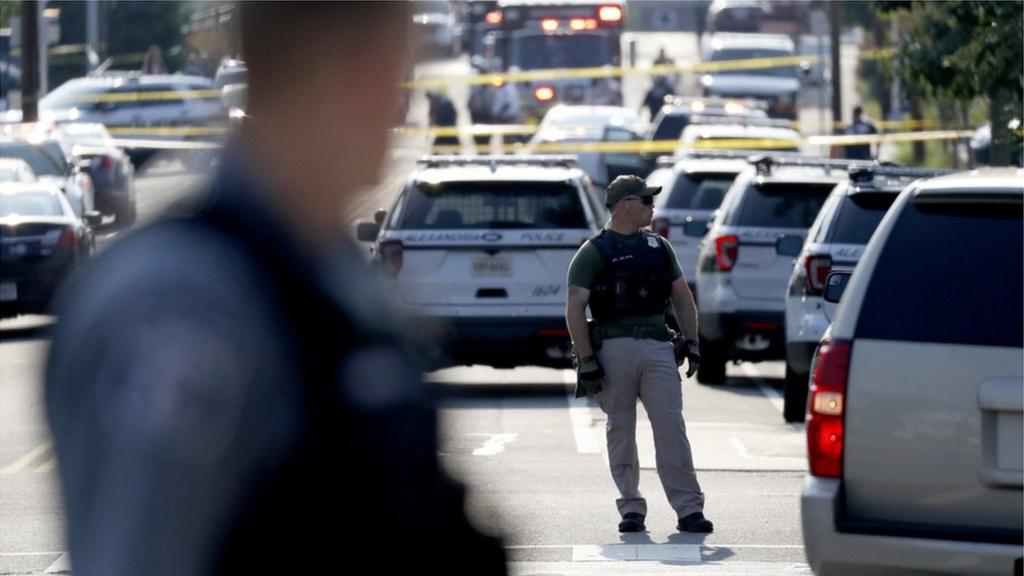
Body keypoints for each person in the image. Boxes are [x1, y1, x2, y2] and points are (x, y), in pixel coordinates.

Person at [45, 3, 506, 575]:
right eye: (399, 66)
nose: (403, 102)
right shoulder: (178, 306)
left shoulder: (328, 276)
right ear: (356, 68)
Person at [565, 175, 712, 535]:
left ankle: (689, 509)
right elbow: (575, 308)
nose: (652, 206)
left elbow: (681, 296)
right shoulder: (593, 251)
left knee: (671, 429)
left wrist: (691, 342)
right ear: (624, 204)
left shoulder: (659, 247)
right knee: (621, 431)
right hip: (613, 348)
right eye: (646, 200)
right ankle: (631, 507)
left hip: (658, 345)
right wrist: (587, 359)